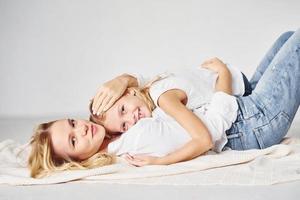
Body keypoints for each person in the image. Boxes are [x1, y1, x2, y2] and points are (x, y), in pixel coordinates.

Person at [28, 29, 300, 178]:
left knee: (287, 38)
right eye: (74, 141)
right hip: (253, 121)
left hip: (242, 106)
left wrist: (124, 79)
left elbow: (146, 93)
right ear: (76, 161)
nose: (81, 129)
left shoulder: (118, 126)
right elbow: (204, 135)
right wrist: (224, 77)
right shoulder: (137, 136)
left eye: (72, 123)